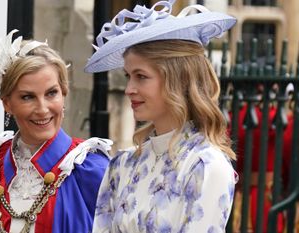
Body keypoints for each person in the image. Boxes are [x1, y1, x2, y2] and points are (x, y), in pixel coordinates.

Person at [0, 30, 111, 233]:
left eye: (51, 93)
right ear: (7, 104)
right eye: (27, 97)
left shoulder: (93, 170)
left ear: (64, 94)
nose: (43, 108)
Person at [84, 1, 238, 232]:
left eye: (141, 76)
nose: (129, 89)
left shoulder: (205, 166)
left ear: (179, 79)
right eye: (128, 76)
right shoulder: (122, 164)